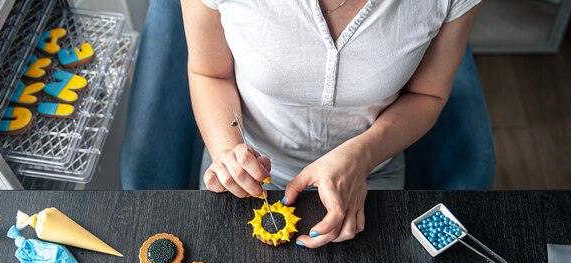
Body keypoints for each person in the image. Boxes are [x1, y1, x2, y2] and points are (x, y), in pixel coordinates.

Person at [181, 0, 481, 248]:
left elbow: (428, 94)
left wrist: (361, 157)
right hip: (249, 173)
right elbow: (209, 73)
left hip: (370, 170)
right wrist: (228, 150)